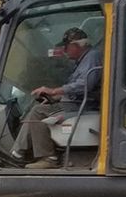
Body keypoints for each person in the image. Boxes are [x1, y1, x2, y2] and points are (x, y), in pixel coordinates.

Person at [6, 26, 102, 168]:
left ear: (76, 45)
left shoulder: (92, 57)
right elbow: (77, 87)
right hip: (78, 102)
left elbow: (85, 84)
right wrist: (56, 97)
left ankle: (47, 157)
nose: (64, 50)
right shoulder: (83, 60)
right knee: (39, 108)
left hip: (84, 105)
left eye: (66, 47)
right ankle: (19, 152)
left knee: (39, 112)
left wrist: (53, 91)